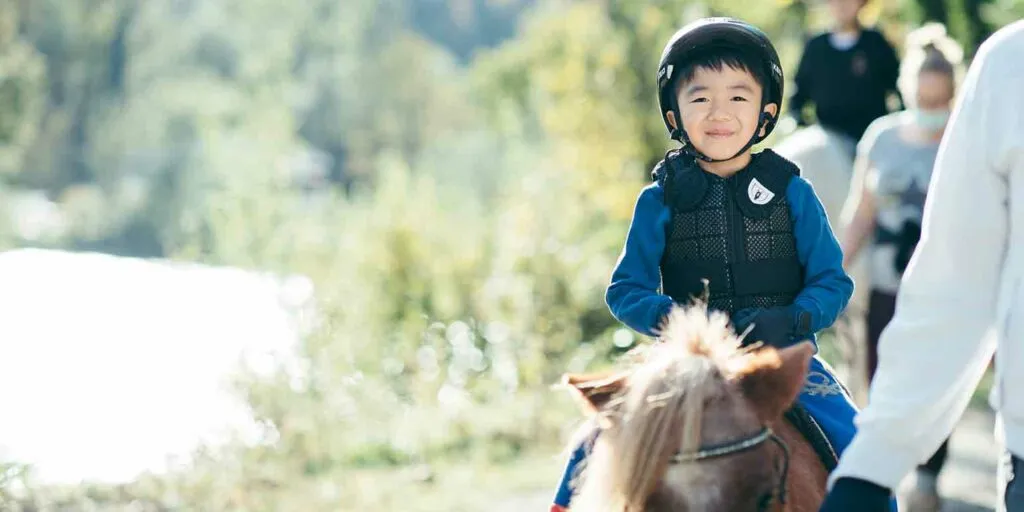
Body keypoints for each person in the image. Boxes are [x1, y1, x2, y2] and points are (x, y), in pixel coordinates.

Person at [549, 17, 887, 511]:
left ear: (765, 112)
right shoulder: (657, 200)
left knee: (857, 446)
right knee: (587, 450)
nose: (719, 113)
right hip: (687, 370)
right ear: (675, 113)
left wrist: (793, 319)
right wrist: (674, 321)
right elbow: (625, 290)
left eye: (737, 97)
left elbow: (832, 281)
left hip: (777, 359)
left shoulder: (794, 192)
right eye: (700, 98)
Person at [819, 19, 1024, 512]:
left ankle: (929, 478)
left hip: (986, 304)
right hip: (895, 282)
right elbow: (953, 284)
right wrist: (869, 472)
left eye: (939, 101)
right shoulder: (1008, 69)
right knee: (886, 375)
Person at [837, 22, 963, 512]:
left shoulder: (965, 139)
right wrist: (828, 273)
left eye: (939, 102)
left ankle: (928, 480)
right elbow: (860, 214)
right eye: (922, 99)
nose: (930, 111)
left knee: (936, 387)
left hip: (945, 291)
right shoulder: (881, 139)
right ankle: (884, 481)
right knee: (880, 387)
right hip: (887, 288)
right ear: (907, 91)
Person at [787, 0, 903, 147]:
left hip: (872, 140)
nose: (843, 4)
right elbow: (798, 95)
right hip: (829, 143)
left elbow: (898, 85)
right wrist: (800, 124)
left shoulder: (875, 43)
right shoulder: (816, 47)